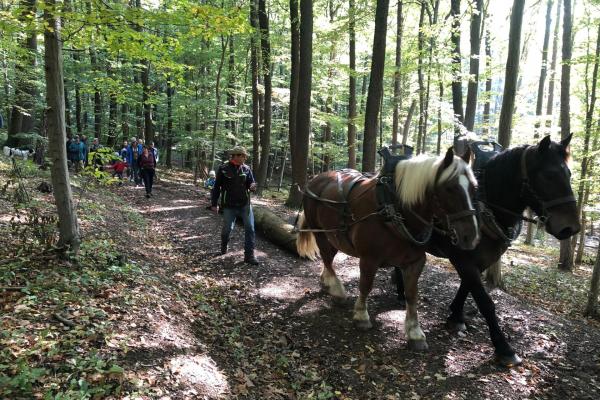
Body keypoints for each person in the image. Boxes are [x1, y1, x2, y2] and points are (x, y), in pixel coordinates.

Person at [210, 146, 259, 265]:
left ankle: (249, 256)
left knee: (250, 229)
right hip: (229, 206)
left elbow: (251, 184)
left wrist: (252, 187)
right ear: (236, 156)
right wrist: (214, 204)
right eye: (243, 155)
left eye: (245, 156)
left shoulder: (247, 169)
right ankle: (224, 245)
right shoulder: (223, 169)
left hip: (245, 204)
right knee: (227, 229)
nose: (245, 158)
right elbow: (216, 188)